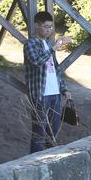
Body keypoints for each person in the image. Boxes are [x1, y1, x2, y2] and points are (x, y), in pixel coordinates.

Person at [23, 11, 72, 153]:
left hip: (55, 94)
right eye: (45, 26)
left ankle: (50, 160)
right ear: (36, 25)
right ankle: (33, 162)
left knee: (54, 131)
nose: (48, 30)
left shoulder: (48, 44)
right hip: (40, 94)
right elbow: (36, 61)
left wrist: (64, 89)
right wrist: (53, 49)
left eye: (50, 27)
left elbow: (55, 70)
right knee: (39, 132)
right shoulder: (30, 44)